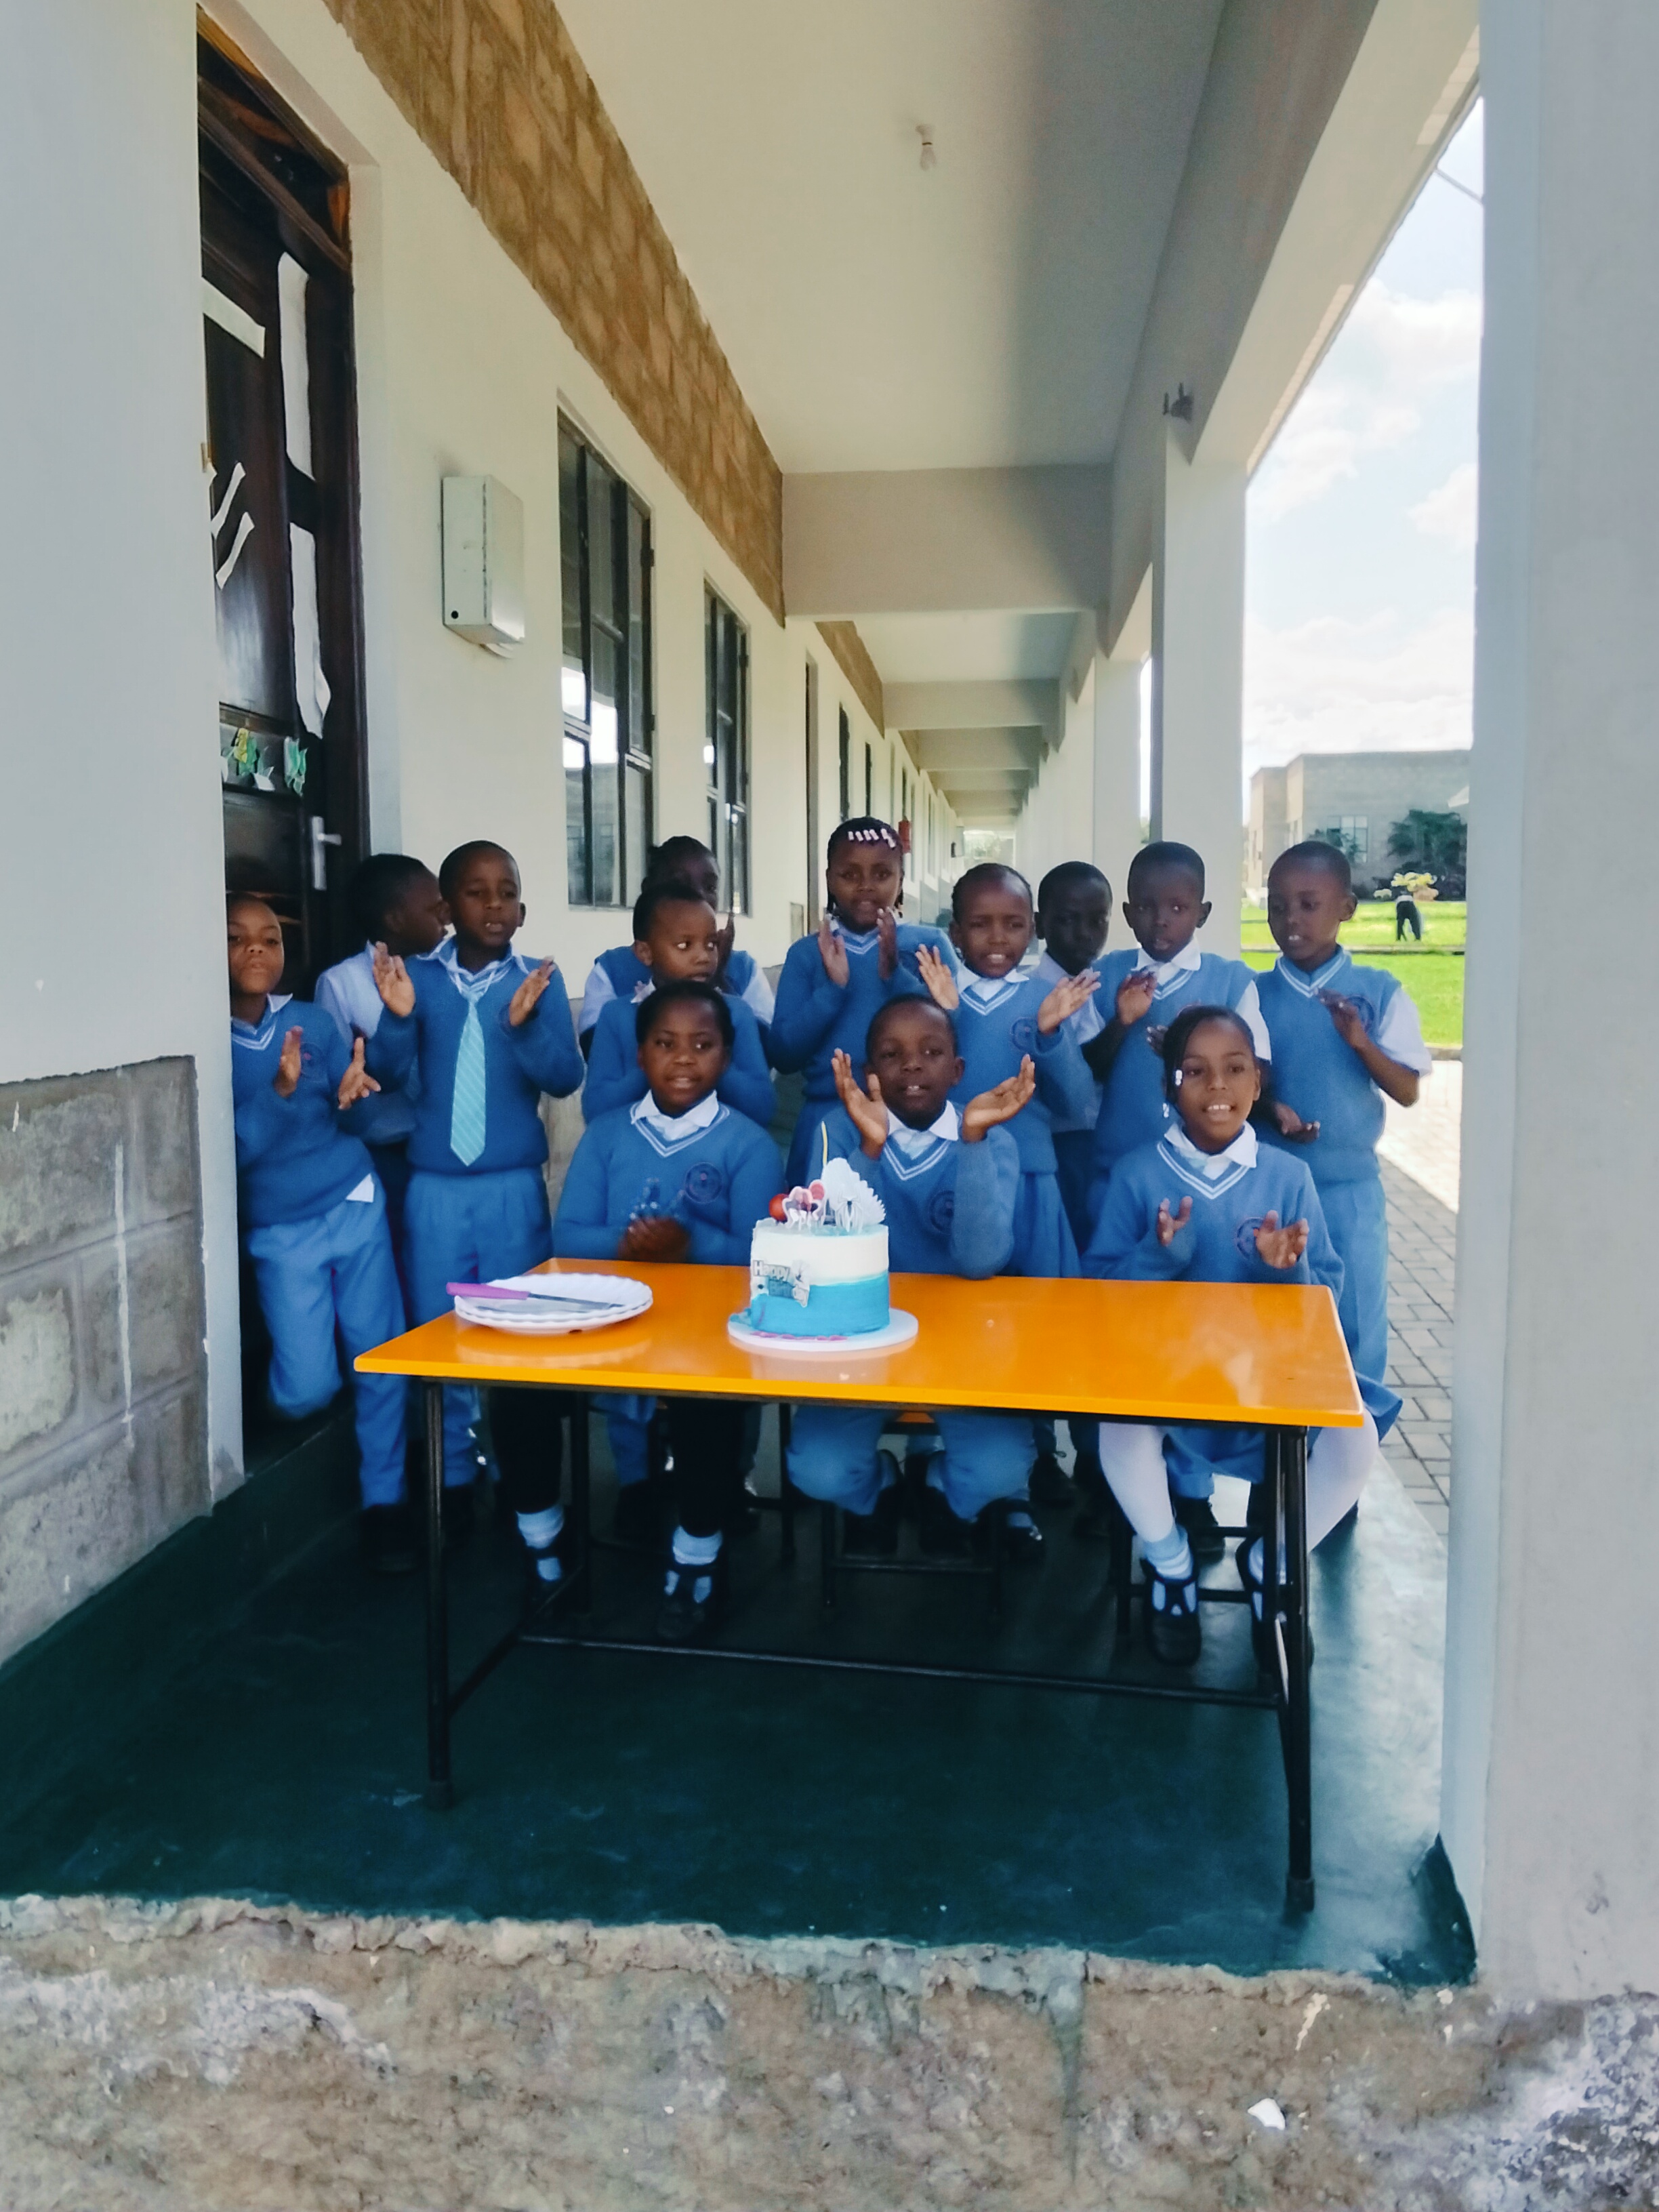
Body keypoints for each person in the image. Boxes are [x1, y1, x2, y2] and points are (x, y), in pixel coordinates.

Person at [1083, 1006, 1398, 1666]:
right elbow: (1101, 1292)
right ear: (1170, 1086)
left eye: (1234, 1069)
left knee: (1355, 1438)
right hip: (1167, 1373)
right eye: (1195, 1072)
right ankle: (1170, 1565)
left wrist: (1285, 1271)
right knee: (1119, 1426)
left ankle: (1271, 1563)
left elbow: (1327, 1297)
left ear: (1258, 1083)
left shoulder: (1289, 1177)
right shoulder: (1138, 1174)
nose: (1217, 1086)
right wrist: (1157, 1257)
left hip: (1266, 1377)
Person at [367, 840, 584, 1551]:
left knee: (518, 1333)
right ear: (445, 907)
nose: (494, 905)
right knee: (441, 1330)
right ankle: (453, 1475)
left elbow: (564, 1077)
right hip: (435, 1190)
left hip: (511, 1191)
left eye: (507, 892)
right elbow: (389, 1071)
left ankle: (525, 1478)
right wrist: (398, 1016)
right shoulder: (419, 981)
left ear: (523, 908)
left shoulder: (537, 981)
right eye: (476, 891)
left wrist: (521, 1028)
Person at [554, 980, 783, 1641]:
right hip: (615, 1326)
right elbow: (567, 1237)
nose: (683, 1059)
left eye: (703, 1045)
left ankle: (696, 1556)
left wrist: (690, 1245)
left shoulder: (749, 1144)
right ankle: (543, 1545)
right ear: (640, 1054)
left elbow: (761, 1256)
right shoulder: (605, 1135)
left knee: (704, 1399)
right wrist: (628, 1244)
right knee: (520, 1391)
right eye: (665, 1043)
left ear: (728, 1057)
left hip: (709, 1333)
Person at [786, 999, 1038, 1559]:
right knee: (818, 1469)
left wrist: (972, 1142)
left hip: (966, 1347)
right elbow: (823, 1256)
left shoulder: (992, 1139)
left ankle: (942, 1490)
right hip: (860, 1343)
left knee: (1001, 1467)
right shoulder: (839, 1130)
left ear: (958, 1069)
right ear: (869, 1072)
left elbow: (980, 1262)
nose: (913, 1065)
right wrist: (869, 1150)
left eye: (931, 1052)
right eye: (891, 1055)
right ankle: (877, 1490)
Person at [1084, 840, 1273, 1561]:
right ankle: (1115, 1480)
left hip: (1206, 1185)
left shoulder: (1232, 980)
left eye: (1178, 907)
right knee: (1120, 1331)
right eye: (1147, 907)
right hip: (1121, 1180)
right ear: (1127, 912)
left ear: (1203, 911)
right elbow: (1086, 1068)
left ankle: (1190, 1490)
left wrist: (1190, 1054)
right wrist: (1123, 1022)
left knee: (1195, 1334)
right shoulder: (1107, 975)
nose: (1162, 920)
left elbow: (1256, 1070)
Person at [226, 897, 411, 1574]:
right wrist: (278, 1092)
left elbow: (351, 1115)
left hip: (354, 1203)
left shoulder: (311, 1021)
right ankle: (269, 1404)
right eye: (236, 938)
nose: (257, 949)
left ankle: (386, 1502)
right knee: (307, 1389)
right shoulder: (205, 1042)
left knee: (380, 1358)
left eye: (270, 938)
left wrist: (353, 1097)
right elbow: (230, 1153)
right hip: (281, 1232)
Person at [1257, 840, 1431, 1395]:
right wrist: (1270, 1109)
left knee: (1354, 1324)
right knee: (1273, 1321)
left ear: (1347, 909)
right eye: (1278, 906)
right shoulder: (1252, 995)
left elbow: (1407, 1090)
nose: (1291, 919)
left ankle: (1353, 1445)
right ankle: (1279, 1445)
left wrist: (1361, 1042)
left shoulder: (1378, 992)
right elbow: (1239, 1081)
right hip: (1271, 1190)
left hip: (1349, 1190)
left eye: (1309, 905)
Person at [770, 817, 956, 1188]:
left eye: (882, 874)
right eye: (850, 874)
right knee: (825, 1220)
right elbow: (784, 1054)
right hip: (827, 1114)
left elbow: (955, 1031)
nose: (866, 886)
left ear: (901, 879)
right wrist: (833, 991)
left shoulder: (928, 947)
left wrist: (896, 976)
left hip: (913, 1122)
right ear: (829, 878)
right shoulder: (809, 954)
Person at [314, 853, 447, 1287]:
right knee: (392, 1263)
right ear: (394, 919)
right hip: (382, 1152)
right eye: (435, 908)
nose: (447, 917)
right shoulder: (341, 984)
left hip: (440, 1148)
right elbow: (341, 1078)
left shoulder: (445, 975)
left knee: (436, 1262)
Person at [1029, 860, 1113, 1511]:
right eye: (1066, 920)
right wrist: (1125, 1025)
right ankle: (1039, 1452)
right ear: (1040, 924)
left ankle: (1094, 1448)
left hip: (1096, 1157)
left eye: (1095, 920)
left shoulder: (1103, 981)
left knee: (1092, 1307)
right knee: (1046, 1306)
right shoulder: (1038, 987)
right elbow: (1079, 1074)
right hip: (1052, 1156)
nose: (1082, 933)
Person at [580, 880, 775, 1128]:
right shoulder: (617, 1015)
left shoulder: (736, 1013)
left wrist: (713, 1062)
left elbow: (762, 1107)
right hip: (637, 1149)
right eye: (685, 945)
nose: (703, 956)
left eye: (711, 944)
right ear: (645, 952)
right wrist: (655, 1065)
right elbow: (595, 1110)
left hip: (719, 1148)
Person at [576, 835, 775, 1053]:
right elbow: (595, 1048)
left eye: (710, 887)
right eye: (680, 885)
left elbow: (763, 1052)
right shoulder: (611, 968)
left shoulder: (744, 969)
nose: (698, 895)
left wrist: (717, 979)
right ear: (648, 889)